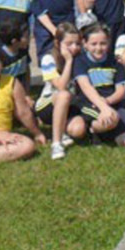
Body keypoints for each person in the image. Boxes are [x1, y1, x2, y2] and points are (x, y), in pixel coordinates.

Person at [68, 23, 125, 146]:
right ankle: (93, 130)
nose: (98, 48)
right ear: (85, 44)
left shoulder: (115, 62)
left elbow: (121, 90)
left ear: (108, 43)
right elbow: (86, 87)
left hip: (110, 102)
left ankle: (100, 132)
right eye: (94, 44)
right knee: (109, 119)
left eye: (103, 43)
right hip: (89, 104)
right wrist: (103, 107)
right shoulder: (80, 61)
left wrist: (107, 101)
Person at [35, 22, 82, 161]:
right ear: (57, 43)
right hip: (48, 104)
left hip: (71, 105)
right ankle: (56, 143)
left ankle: (63, 129)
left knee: (78, 130)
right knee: (64, 95)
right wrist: (68, 61)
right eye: (69, 43)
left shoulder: (80, 57)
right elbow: (61, 86)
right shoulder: (48, 59)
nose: (74, 47)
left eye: (77, 43)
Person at [0, 19, 32, 85]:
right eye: (26, 37)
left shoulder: (23, 52)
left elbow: (26, 71)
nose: (29, 39)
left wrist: (26, 91)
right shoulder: (0, 57)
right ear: (14, 41)